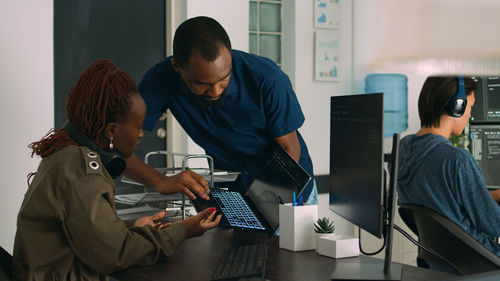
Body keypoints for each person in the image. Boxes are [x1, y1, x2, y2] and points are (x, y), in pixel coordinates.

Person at [12, 59, 221, 281]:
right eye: (138, 127)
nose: (141, 135)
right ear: (111, 130)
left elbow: (86, 232)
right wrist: (183, 230)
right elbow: (113, 255)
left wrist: (132, 228)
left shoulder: (66, 154)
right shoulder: (82, 171)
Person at [124, 16, 317, 204]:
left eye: (224, 78)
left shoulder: (268, 79)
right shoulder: (161, 80)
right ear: (176, 66)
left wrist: (266, 205)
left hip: (286, 186)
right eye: (201, 83)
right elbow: (117, 144)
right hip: (233, 192)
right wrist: (160, 181)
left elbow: (289, 147)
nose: (215, 91)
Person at [397, 76, 500, 272]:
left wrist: (489, 197)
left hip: (438, 263)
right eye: (470, 106)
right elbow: (494, 225)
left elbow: (445, 203)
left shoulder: (404, 149)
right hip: (479, 261)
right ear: (457, 106)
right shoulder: (458, 160)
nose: (470, 114)